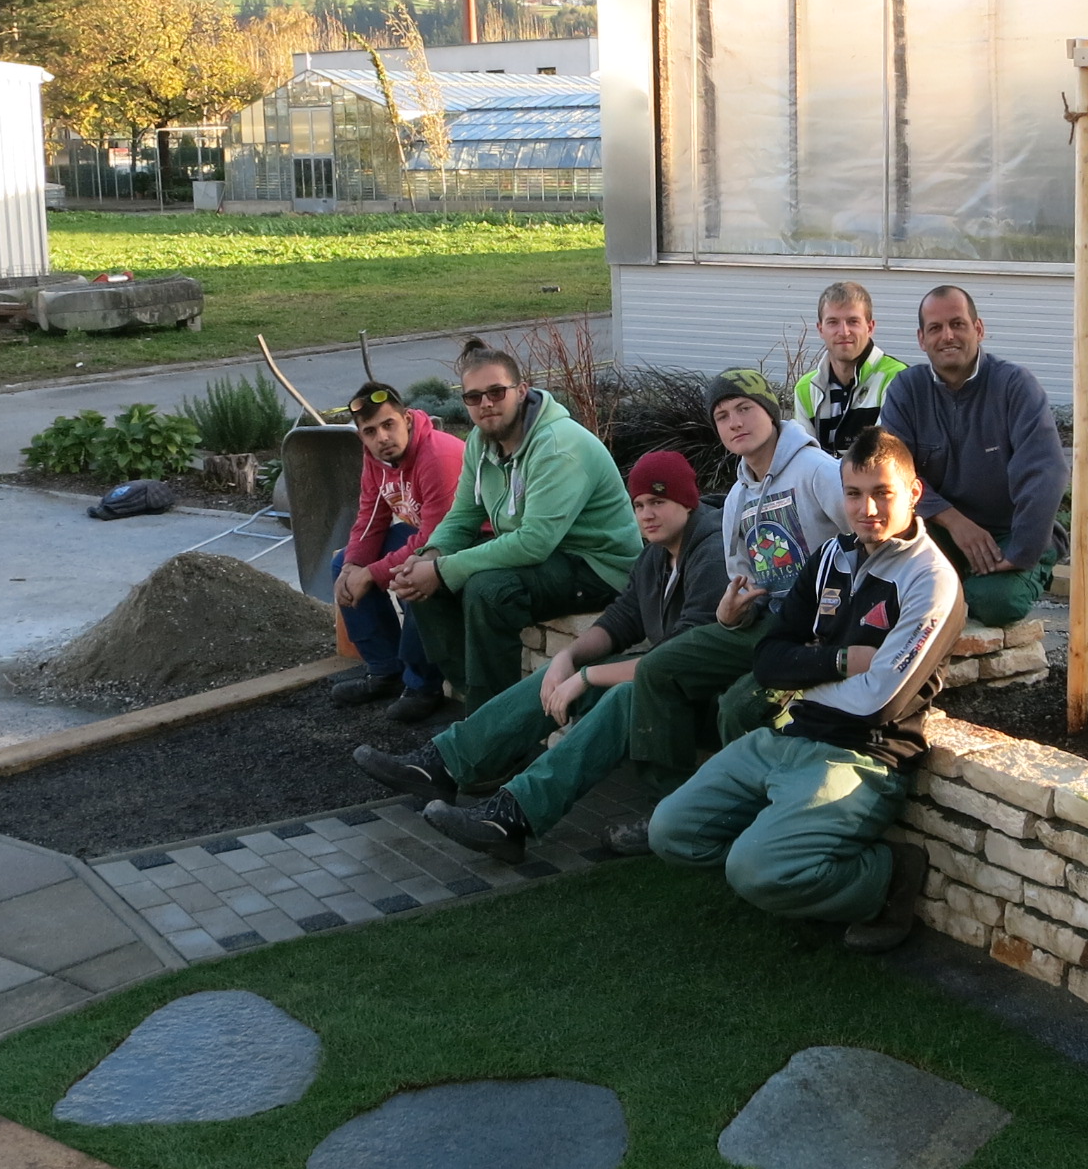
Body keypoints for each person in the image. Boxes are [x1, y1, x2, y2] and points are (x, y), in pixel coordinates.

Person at [645, 428, 966, 953]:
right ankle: (775, 853)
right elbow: (767, 661)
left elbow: (878, 700)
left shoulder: (931, 580)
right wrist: (837, 660)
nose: (867, 509)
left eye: (882, 492)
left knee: (755, 873)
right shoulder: (828, 558)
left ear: (912, 493)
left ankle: (886, 876)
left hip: (860, 757)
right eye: (854, 494)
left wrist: (806, 676)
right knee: (670, 832)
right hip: (785, 736)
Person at [354, 451, 724, 858]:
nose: (647, 514)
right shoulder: (657, 552)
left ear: (687, 501)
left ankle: (510, 817)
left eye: (659, 502)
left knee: (622, 693)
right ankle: (442, 763)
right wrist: (568, 660)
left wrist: (584, 678)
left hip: (711, 700)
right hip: (666, 686)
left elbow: (677, 659)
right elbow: (624, 618)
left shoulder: (712, 553)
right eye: (639, 504)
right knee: (562, 672)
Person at [618, 367, 850, 780]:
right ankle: (664, 805)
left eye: (744, 409)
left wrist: (841, 618)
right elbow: (744, 584)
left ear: (770, 412)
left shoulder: (818, 471)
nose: (735, 422)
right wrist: (731, 612)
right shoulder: (736, 500)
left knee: (737, 707)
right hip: (768, 623)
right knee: (657, 668)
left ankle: (740, 816)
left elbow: (867, 544)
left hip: (819, 629)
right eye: (722, 416)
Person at [389, 343, 641, 707]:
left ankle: (489, 731)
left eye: (496, 392)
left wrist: (443, 570)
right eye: (474, 397)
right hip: (547, 557)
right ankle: (478, 707)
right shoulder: (481, 442)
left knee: (488, 590)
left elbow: (534, 542)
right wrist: (430, 555)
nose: (486, 403)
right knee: (422, 585)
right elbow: (462, 515)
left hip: (597, 566)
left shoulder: (557, 446)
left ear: (521, 391)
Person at [877, 284, 1067, 628]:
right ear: (921, 339)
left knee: (998, 601)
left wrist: (1020, 551)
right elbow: (894, 474)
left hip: (1007, 532)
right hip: (939, 531)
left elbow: (1044, 472)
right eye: (935, 328)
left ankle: (969, 585)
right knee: (885, 584)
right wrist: (954, 521)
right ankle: (948, 585)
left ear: (978, 329)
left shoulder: (1015, 386)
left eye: (957, 324)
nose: (947, 336)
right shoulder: (907, 390)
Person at [326, 378, 466, 723]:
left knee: (413, 577)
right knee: (344, 563)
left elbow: (436, 540)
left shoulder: (439, 454)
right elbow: (369, 519)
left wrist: (371, 573)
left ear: (406, 420)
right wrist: (352, 568)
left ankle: (423, 685)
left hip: (468, 541)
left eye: (388, 425)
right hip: (427, 536)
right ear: (362, 437)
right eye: (370, 432)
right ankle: (385, 669)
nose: (382, 438)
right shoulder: (376, 461)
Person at [790, 280, 904, 457]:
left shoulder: (897, 378)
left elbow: (884, 461)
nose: (843, 331)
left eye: (853, 321)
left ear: (870, 327)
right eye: (833, 322)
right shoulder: (805, 388)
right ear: (820, 329)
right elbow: (806, 461)